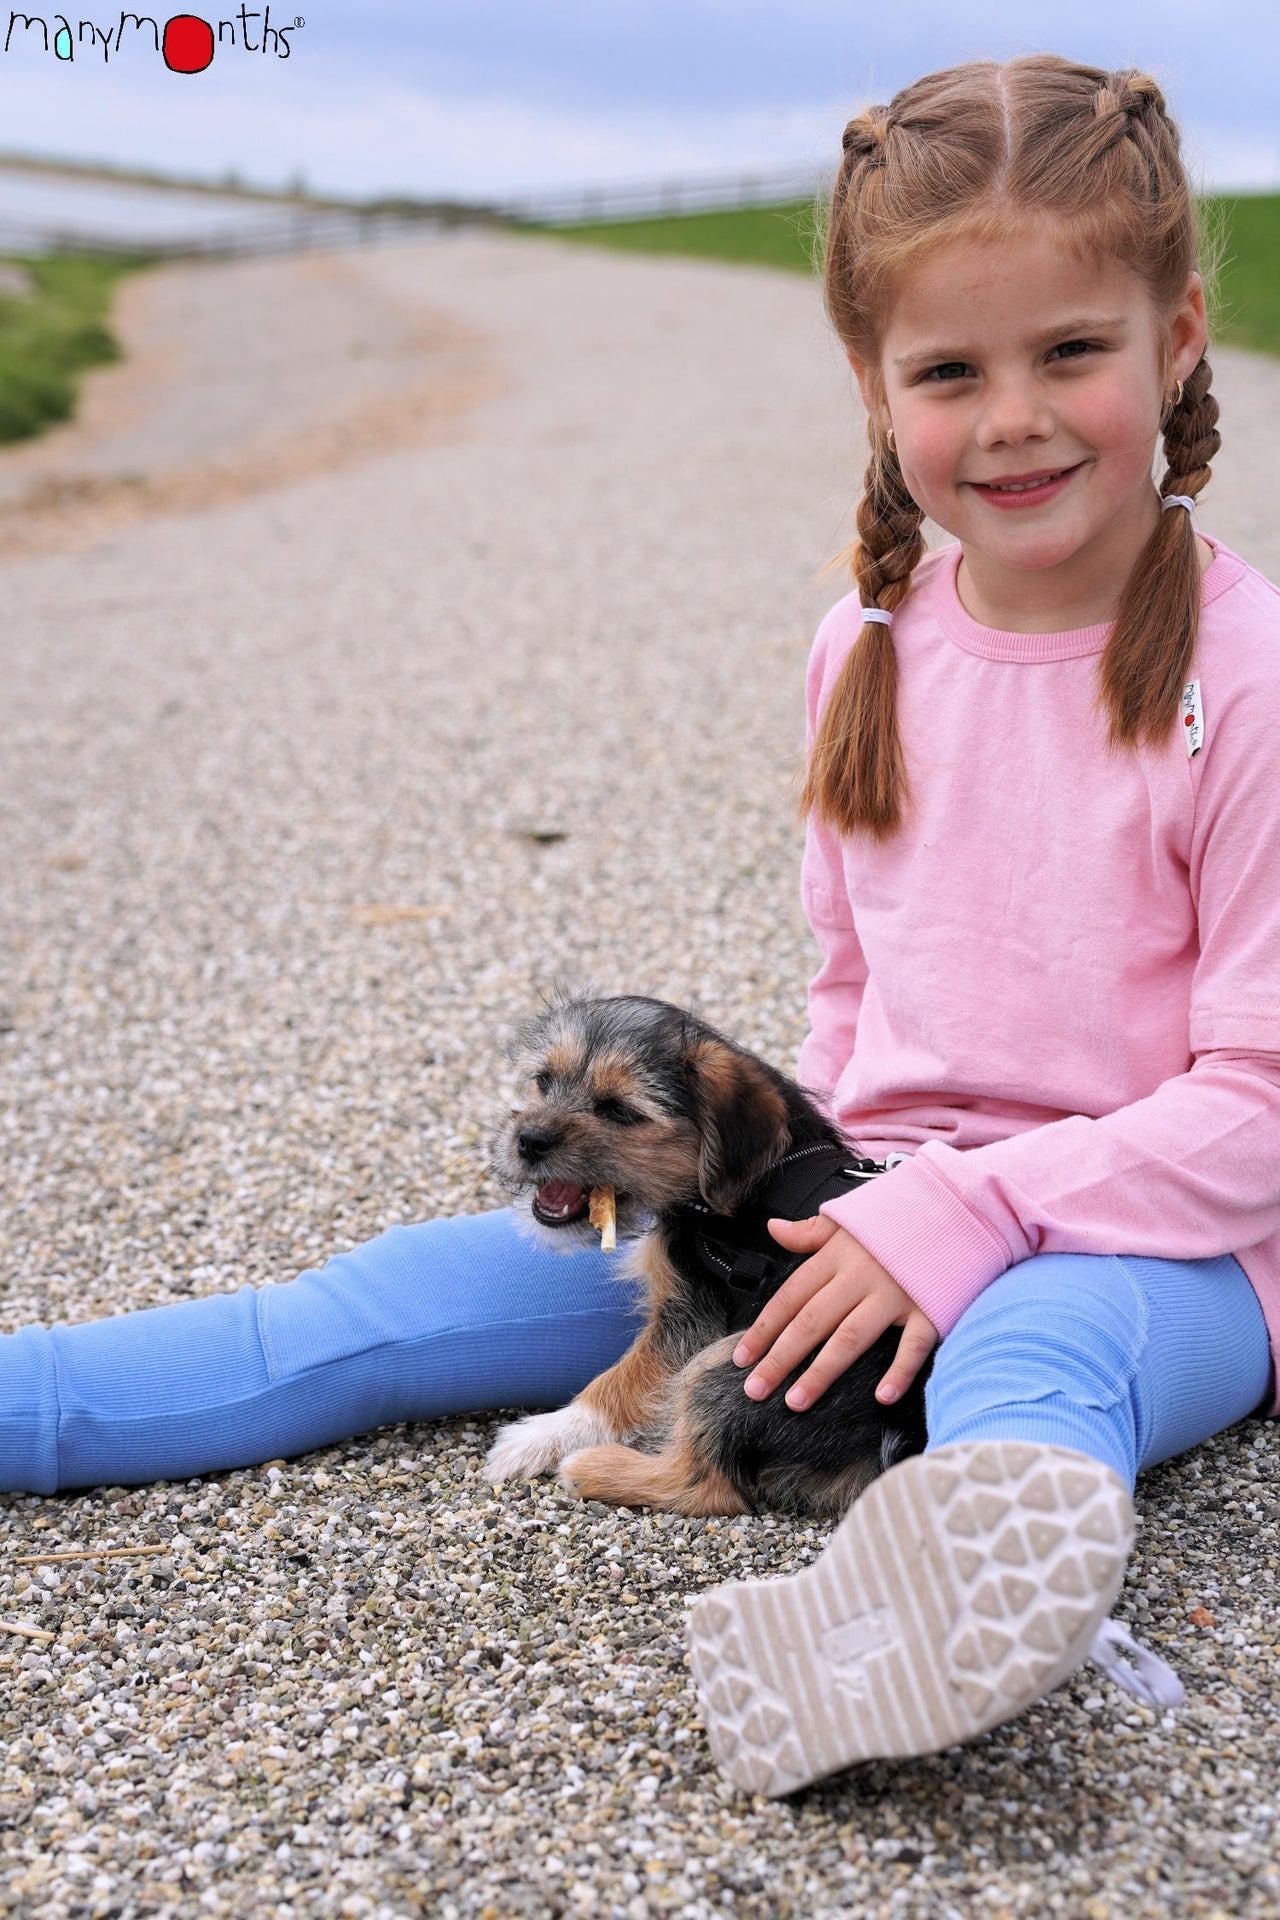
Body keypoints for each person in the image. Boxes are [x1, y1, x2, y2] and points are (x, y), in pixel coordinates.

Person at [2, 52, 1276, 1797]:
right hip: (856, 1205)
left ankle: (899, 1641)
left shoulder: (1249, 679)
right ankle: (32, 1403)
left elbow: (1260, 1105)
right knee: (379, 1306)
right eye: (950, 368)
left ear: (1181, 335)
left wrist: (967, 1214)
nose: (1014, 418)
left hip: (1158, 1255)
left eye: (1072, 350)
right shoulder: (870, 643)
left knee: (1034, 1362)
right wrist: (795, 1203)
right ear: (869, 381)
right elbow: (854, 1010)